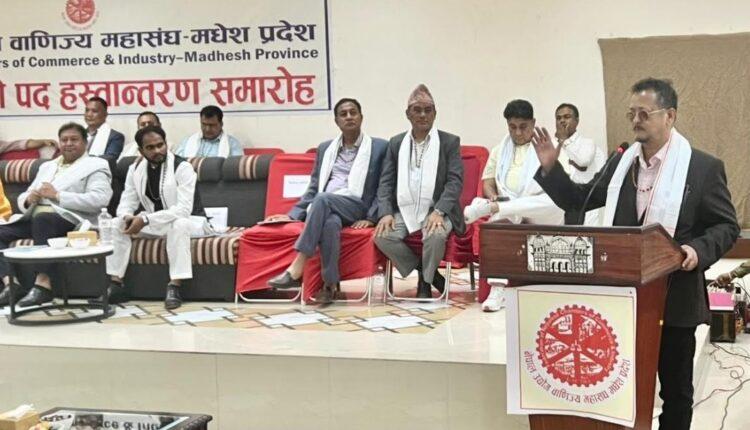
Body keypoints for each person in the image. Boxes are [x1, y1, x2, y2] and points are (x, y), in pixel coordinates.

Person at [531, 78, 739, 430]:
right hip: (623, 299)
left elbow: (726, 226)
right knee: (623, 389)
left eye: (645, 113)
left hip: (675, 298)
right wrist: (552, 167)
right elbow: (579, 200)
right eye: (632, 114)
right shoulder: (622, 163)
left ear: (669, 116)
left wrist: (695, 249)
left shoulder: (702, 167)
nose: (636, 121)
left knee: (676, 393)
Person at [265, 98, 388, 303]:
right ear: (336, 121)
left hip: (357, 205)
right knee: (330, 223)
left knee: (322, 199)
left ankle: (298, 265)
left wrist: (371, 217)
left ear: (361, 117)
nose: (349, 117)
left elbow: (384, 186)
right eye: (343, 114)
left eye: (353, 112)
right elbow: (314, 186)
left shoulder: (379, 147)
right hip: (328, 206)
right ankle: (330, 285)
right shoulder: (325, 148)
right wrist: (292, 215)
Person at [462, 100, 564, 312]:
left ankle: (493, 208)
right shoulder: (500, 149)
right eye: (512, 127)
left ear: (533, 123)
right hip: (509, 210)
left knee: (555, 203)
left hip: (541, 213)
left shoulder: (548, 146)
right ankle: (497, 291)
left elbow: (562, 188)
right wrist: (493, 197)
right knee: (500, 223)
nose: (517, 133)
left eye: (523, 127)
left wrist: (501, 205)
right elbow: (488, 182)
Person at [0, 123, 112, 307]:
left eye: (74, 139)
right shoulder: (48, 166)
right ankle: (11, 284)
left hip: (70, 218)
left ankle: (43, 285)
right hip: (35, 216)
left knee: (43, 220)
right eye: (64, 140)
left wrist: (58, 195)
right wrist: (29, 199)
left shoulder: (96, 165)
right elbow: (24, 196)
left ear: (85, 143)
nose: (68, 143)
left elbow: (100, 199)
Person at [104, 125, 212, 310]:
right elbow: (127, 201)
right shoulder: (135, 169)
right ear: (141, 151)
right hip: (155, 223)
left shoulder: (182, 167)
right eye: (150, 147)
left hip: (190, 221)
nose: (157, 150)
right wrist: (127, 217)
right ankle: (116, 284)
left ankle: (175, 285)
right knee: (115, 224)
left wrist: (146, 220)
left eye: (160, 145)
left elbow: (183, 210)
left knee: (179, 224)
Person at [373, 84, 464, 300]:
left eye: (428, 110)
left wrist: (439, 211)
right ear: (408, 114)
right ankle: (425, 272)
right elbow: (385, 182)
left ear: (435, 113)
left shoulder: (449, 142)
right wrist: (385, 212)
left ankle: (426, 281)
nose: (423, 115)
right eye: (417, 110)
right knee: (382, 236)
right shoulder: (396, 143)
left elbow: (455, 182)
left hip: (437, 209)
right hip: (405, 209)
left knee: (436, 235)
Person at [553, 103, 606, 225]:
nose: (562, 121)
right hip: (561, 208)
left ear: (576, 121)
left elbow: (583, 161)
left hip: (586, 206)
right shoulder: (553, 146)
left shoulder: (587, 143)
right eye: (558, 118)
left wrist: (564, 141)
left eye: (567, 117)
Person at [174, 105, 243, 158]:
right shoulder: (187, 142)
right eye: (204, 124)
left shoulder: (232, 145)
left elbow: (236, 168)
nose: (207, 129)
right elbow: (177, 164)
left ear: (221, 124)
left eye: (212, 125)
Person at [84, 97, 125, 161]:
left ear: (105, 114)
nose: (89, 114)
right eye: (87, 110)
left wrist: (81, 160)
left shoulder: (115, 136)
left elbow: (110, 159)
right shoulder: (78, 133)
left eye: (94, 111)